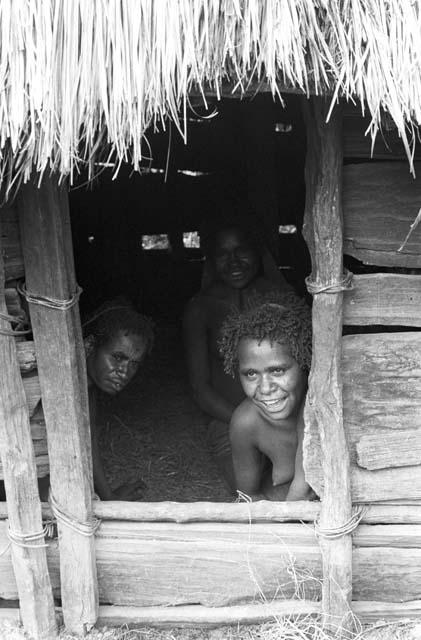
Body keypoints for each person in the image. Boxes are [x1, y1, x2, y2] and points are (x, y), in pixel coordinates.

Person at [182, 219, 291, 491]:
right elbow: (200, 390)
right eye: (222, 254)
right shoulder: (200, 309)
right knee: (250, 494)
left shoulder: (283, 298)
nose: (233, 262)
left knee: (293, 489)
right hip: (227, 421)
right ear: (211, 259)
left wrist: (279, 421)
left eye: (241, 250)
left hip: (284, 414)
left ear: (258, 251)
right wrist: (248, 426)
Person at [219, 297, 315, 501]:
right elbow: (247, 497)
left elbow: (303, 490)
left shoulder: (319, 403)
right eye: (251, 374)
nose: (265, 388)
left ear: (305, 362)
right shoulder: (246, 422)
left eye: (278, 370)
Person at [84, 301, 154, 500]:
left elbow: (87, 440)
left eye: (134, 364)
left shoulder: (86, 388)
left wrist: (109, 499)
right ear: (89, 345)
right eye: (117, 357)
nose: (124, 372)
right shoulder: (61, 385)